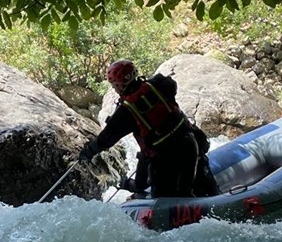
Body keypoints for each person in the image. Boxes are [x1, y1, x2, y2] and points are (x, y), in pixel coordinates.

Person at [80, 60, 217, 198]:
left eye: (114, 85)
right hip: (190, 144)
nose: (114, 89)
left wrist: (88, 151)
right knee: (201, 181)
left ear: (120, 85)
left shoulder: (125, 112)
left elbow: (106, 139)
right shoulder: (159, 83)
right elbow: (172, 86)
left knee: (165, 197)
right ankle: (213, 196)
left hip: (165, 160)